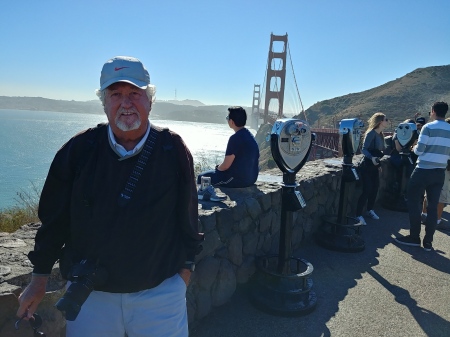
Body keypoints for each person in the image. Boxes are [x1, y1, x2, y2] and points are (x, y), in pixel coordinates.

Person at [17, 56, 203, 337]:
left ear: (150, 100)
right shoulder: (79, 150)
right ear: (103, 102)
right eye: (115, 94)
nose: (126, 103)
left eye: (135, 94)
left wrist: (184, 274)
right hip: (91, 299)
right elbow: (54, 221)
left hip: (160, 293)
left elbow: (188, 216)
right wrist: (39, 277)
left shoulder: (172, 150)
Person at [395, 102, 450, 251]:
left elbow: (419, 150)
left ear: (433, 111)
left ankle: (414, 237)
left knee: (414, 202)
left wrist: (413, 147)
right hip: (439, 173)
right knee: (433, 207)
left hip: (423, 170)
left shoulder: (428, 127)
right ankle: (428, 242)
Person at [197, 106, 260, 201]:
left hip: (237, 180)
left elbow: (226, 166)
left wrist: (217, 169)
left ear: (232, 121)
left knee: (201, 177)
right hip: (251, 178)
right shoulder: (249, 135)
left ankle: (204, 194)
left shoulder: (235, 138)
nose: (227, 120)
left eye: (227, 118)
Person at [355, 112, 388, 225]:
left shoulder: (380, 134)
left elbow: (380, 151)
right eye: (386, 119)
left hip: (374, 166)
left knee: (375, 189)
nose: (387, 121)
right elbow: (364, 149)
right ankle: (358, 215)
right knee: (367, 190)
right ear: (380, 122)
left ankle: (370, 210)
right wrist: (372, 158)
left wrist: (378, 165)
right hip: (367, 166)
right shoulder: (371, 133)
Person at [420, 117, 450, 229]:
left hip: (432, 167)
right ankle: (437, 220)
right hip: (445, 169)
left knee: (428, 193)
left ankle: (424, 215)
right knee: (442, 196)